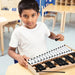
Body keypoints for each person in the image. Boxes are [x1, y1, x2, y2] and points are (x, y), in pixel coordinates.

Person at [8, 0, 64, 68]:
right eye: (25, 16)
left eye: (33, 15)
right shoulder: (17, 32)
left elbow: (50, 34)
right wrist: (18, 57)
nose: (30, 20)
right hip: (27, 64)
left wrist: (56, 37)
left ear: (37, 14)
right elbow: (10, 50)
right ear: (20, 16)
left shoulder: (42, 26)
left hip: (43, 61)